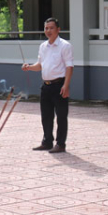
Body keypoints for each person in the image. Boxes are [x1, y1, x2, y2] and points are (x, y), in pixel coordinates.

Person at [23, 17, 73, 154]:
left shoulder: (65, 46)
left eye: (51, 28)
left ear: (58, 29)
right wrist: (29, 67)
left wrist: (66, 86)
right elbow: (40, 65)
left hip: (59, 85)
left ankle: (61, 144)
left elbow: (69, 67)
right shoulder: (43, 47)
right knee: (46, 116)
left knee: (61, 116)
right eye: (46, 28)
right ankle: (47, 142)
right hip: (46, 86)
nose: (48, 30)